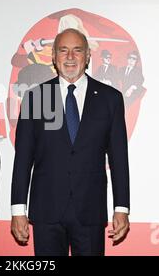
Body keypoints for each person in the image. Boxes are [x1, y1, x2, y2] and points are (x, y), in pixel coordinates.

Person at [11, 28, 130, 256]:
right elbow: (23, 158)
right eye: (63, 51)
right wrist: (18, 210)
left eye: (77, 50)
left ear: (87, 57)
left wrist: (121, 208)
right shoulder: (35, 97)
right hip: (46, 211)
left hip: (90, 210)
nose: (70, 57)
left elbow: (119, 159)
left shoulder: (110, 99)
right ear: (54, 57)